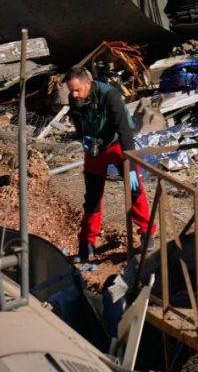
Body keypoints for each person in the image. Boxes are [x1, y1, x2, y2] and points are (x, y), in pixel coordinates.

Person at [64, 65, 154, 263]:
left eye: (77, 89)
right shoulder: (74, 100)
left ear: (88, 83)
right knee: (93, 196)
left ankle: (147, 231)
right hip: (95, 149)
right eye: (71, 90)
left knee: (134, 186)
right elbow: (79, 126)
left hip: (118, 145)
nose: (74, 94)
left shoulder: (110, 96)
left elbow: (124, 130)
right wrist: (86, 141)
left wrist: (130, 163)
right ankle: (86, 243)